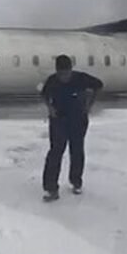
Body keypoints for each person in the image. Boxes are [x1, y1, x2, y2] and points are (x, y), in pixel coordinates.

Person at [41, 55, 103, 201]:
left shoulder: (81, 79)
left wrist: (90, 105)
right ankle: (51, 188)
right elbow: (44, 94)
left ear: (71, 70)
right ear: (57, 72)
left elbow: (99, 85)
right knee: (55, 152)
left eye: (66, 73)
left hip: (77, 119)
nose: (64, 77)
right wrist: (50, 108)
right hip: (59, 120)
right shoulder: (52, 81)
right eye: (61, 74)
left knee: (76, 151)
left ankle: (76, 181)